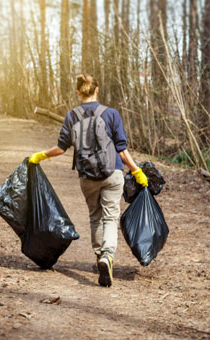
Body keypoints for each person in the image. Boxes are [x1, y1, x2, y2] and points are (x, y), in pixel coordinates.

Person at [28, 74, 147, 287]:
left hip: (87, 177)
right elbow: (121, 150)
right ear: (97, 90)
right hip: (113, 174)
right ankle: (107, 256)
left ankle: (99, 254)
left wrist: (40, 155)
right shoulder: (111, 114)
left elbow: (61, 148)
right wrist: (137, 171)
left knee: (95, 217)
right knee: (110, 216)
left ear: (78, 92)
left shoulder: (71, 116)